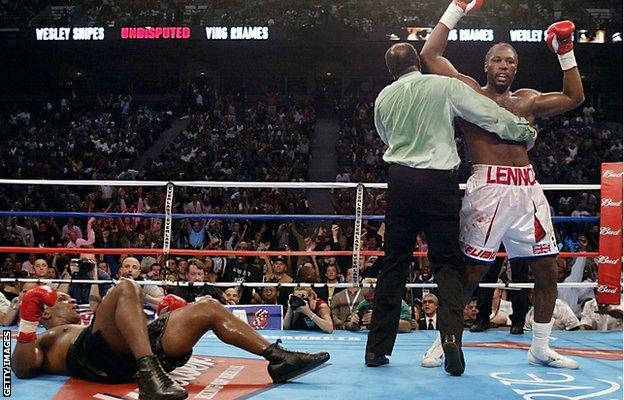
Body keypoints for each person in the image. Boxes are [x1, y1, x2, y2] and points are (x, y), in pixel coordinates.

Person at [419, 0, 585, 372]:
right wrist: (456, 8)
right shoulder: (467, 92)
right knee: (471, 273)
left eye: (511, 61)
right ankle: (444, 341)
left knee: (546, 268)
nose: (505, 66)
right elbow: (429, 54)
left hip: (528, 190)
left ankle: (540, 347)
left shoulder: (526, 100)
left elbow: (574, 98)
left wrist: (566, 53)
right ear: (486, 64)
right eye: (498, 60)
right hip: (487, 189)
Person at [365, 41, 537, 375]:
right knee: (447, 264)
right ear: (418, 61)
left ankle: (376, 350)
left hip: (400, 181)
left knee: (394, 265)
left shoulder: (384, 97)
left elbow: (385, 136)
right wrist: (522, 131)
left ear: (391, 70)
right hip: (438, 183)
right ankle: (451, 341)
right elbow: (487, 114)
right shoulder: (443, 85)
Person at [12, 283, 330, 400]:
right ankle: (151, 375)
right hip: (96, 361)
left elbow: (126, 334)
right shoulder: (48, 336)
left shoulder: (94, 323)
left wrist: (160, 320)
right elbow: (22, 369)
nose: (69, 302)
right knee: (126, 289)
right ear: (42, 313)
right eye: (63, 300)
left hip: (135, 357)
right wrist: (26, 321)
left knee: (207, 307)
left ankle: (279, 358)